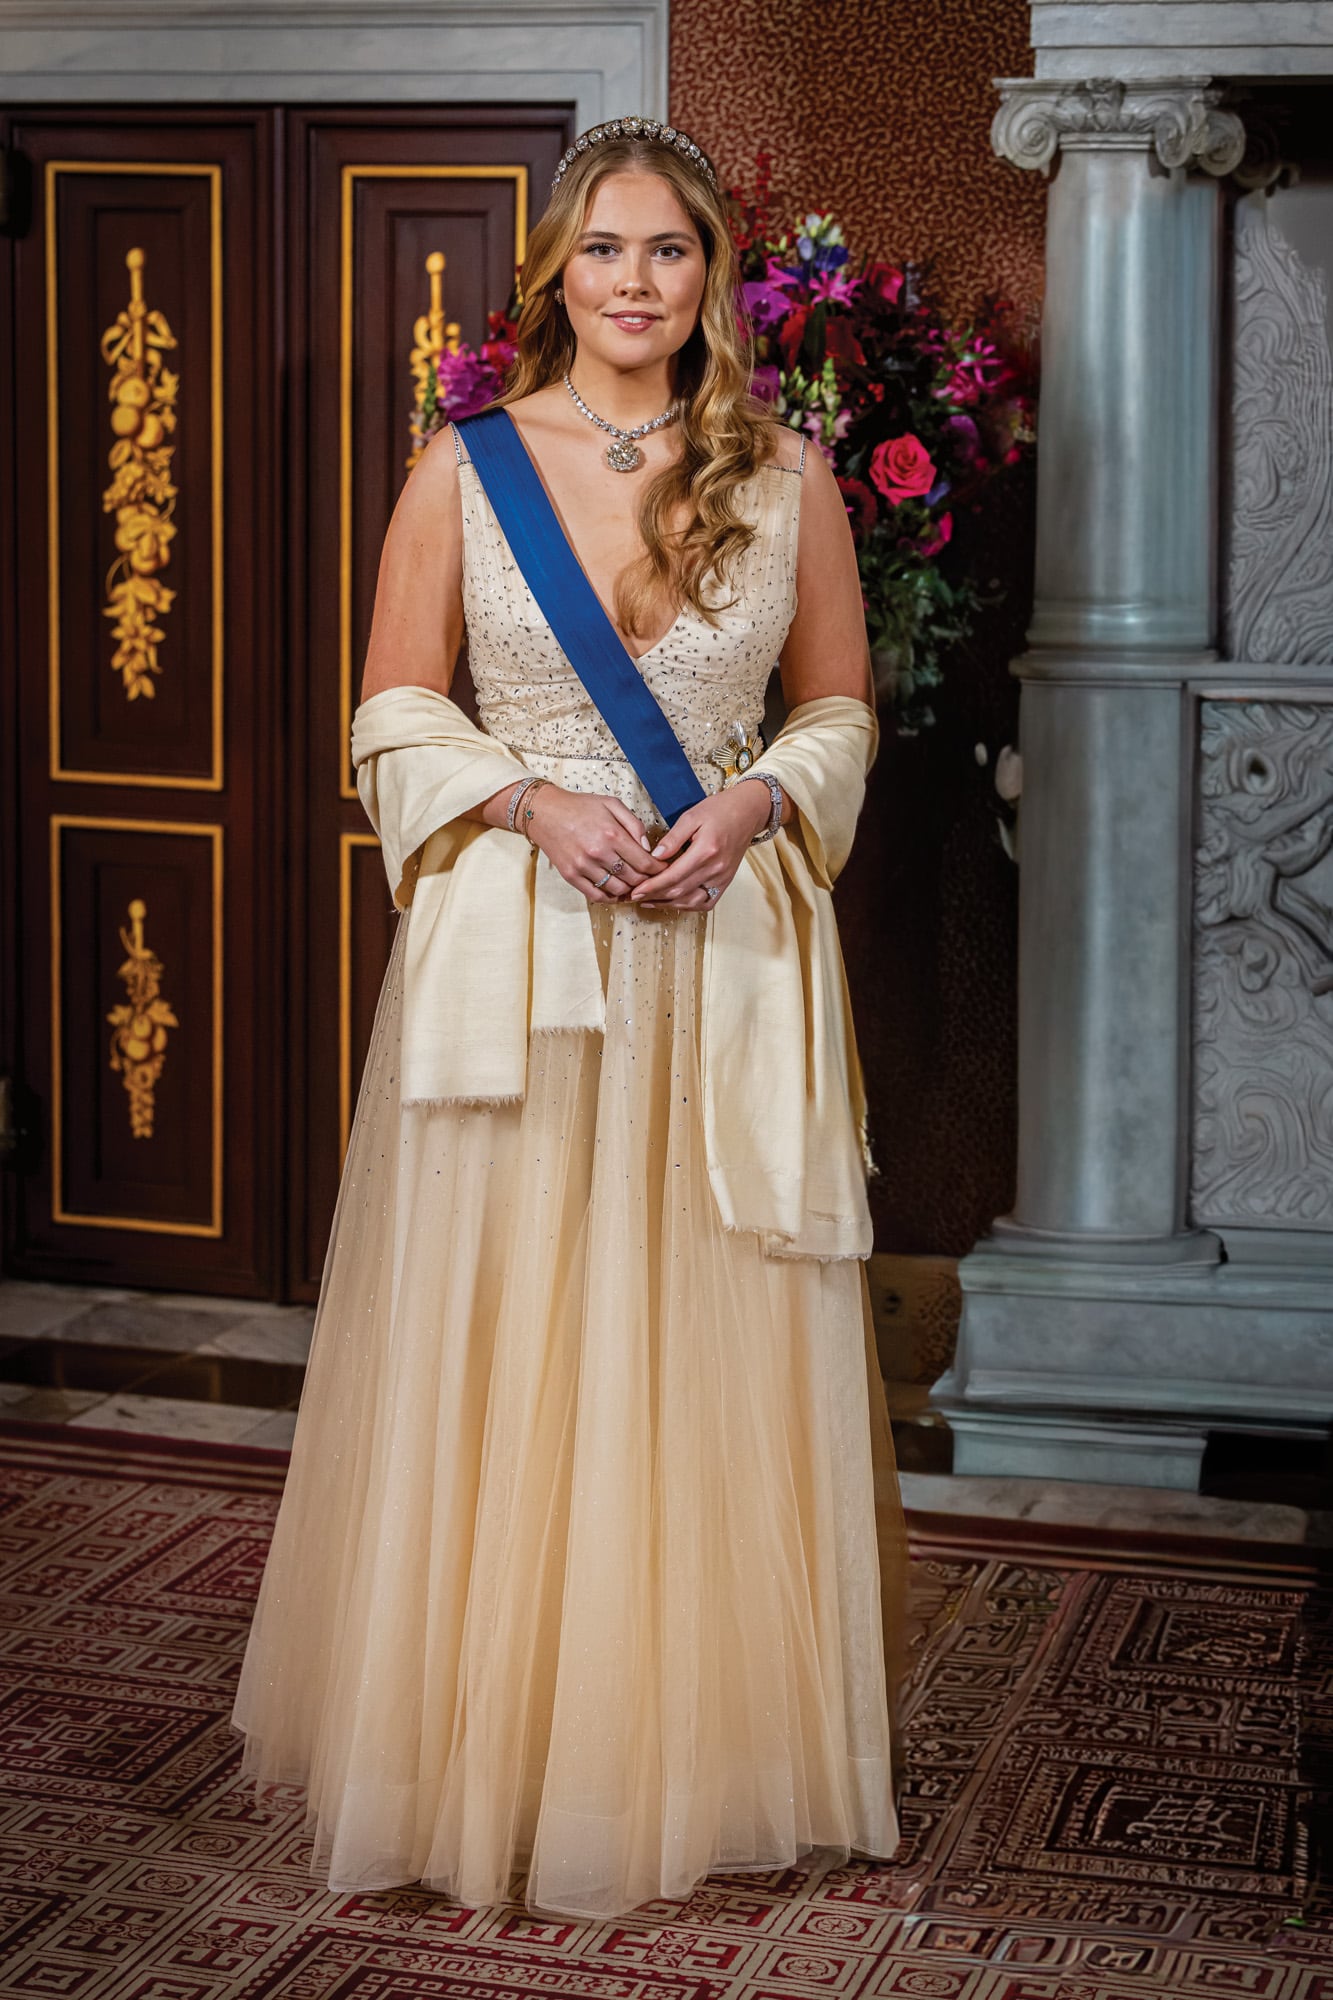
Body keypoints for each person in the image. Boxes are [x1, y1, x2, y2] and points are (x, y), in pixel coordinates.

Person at [230, 115, 907, 1923]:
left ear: (712, 281)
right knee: (513, 1347)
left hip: (721, 957)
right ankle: (480, 1752)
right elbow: (385, 708)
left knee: (697, 1345)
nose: (634, 283)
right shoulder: (463, 469)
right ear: (558, 274)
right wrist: (532, 806)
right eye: (603, 251)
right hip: (523, 952)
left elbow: (838, 713)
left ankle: (687, 1752)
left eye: (668, 253)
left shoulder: (792, 477)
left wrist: (757, 805)